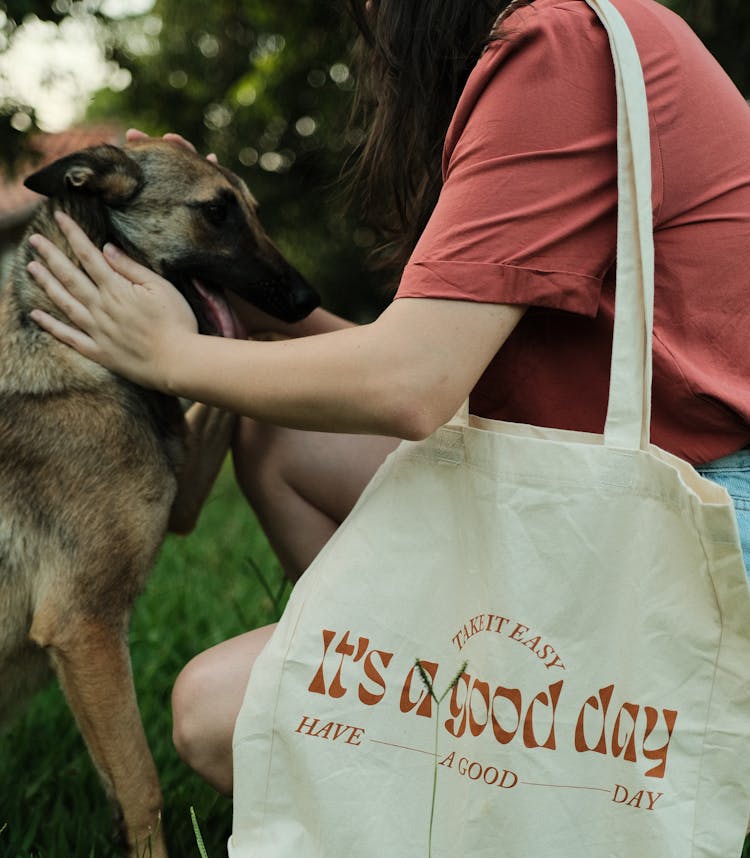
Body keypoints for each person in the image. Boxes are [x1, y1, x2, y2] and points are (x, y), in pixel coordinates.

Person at [25, 0, 750, 798]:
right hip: (603, 489)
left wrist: (167, 355)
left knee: (219, 716)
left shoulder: (559, 45)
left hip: (694, 526)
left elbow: (412, 386)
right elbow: (425, 362)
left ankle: (546, 762)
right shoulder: (554, 48)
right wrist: (243, 294)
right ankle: (443, 676)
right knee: (280, 434)